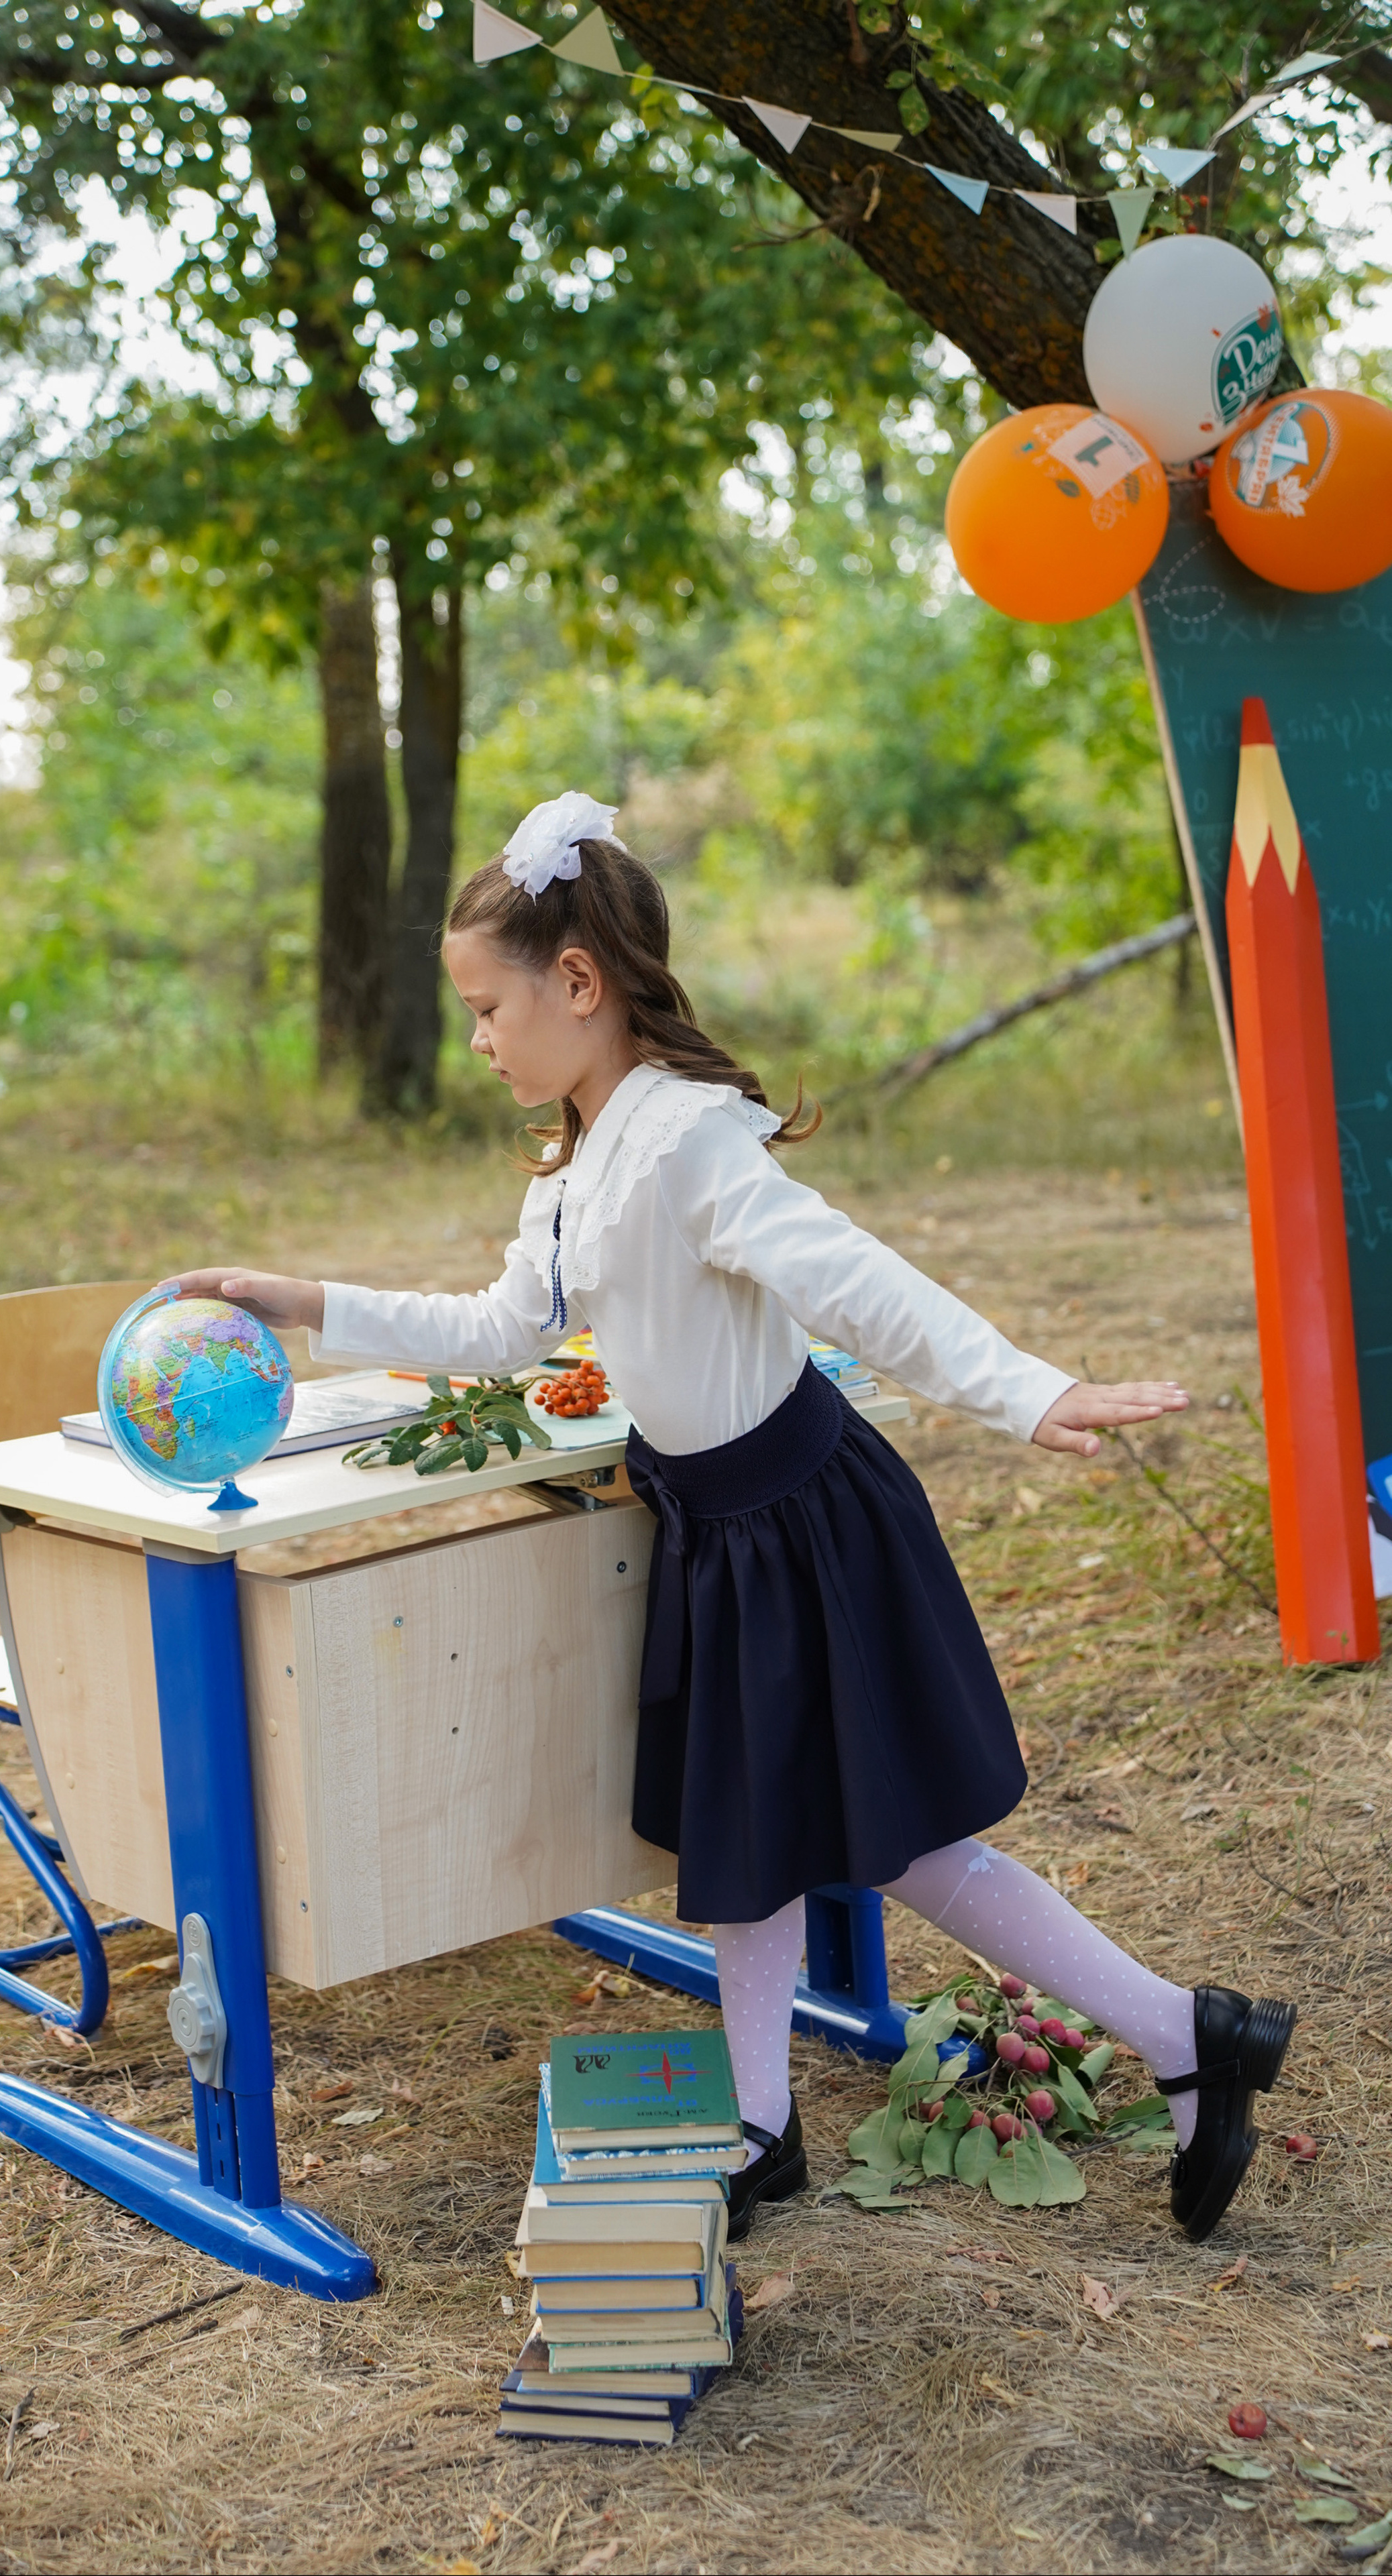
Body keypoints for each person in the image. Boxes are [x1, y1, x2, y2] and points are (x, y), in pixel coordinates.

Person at [169, 791, 1295, 2245]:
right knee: (744, 1834)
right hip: (717, 1533)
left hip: (803, 1525)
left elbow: (855, 1283)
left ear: (576, 985)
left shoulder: (692, 1141)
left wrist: (1026, 1388)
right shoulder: (579, 1160)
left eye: (484, 1007)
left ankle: (1183, 2031)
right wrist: (307, 1302)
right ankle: (759, 2124)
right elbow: (506, 1324)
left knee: (907, 1847)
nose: (475, 1040)